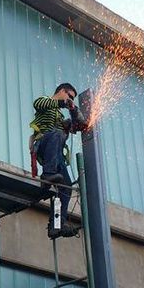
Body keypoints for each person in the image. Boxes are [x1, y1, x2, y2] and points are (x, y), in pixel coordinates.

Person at [30, 83, 88, 239]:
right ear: (62, 91)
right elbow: (38, 103)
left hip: (57, 156)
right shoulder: (45, 101)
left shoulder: (61, 118)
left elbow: (78, 125)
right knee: (56, 133)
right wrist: (63, 103)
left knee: (66, 187)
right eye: (69, 96)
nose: (70, 99)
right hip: (44, 144)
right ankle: (48, 174)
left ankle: (57, 225)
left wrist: (74, 113)